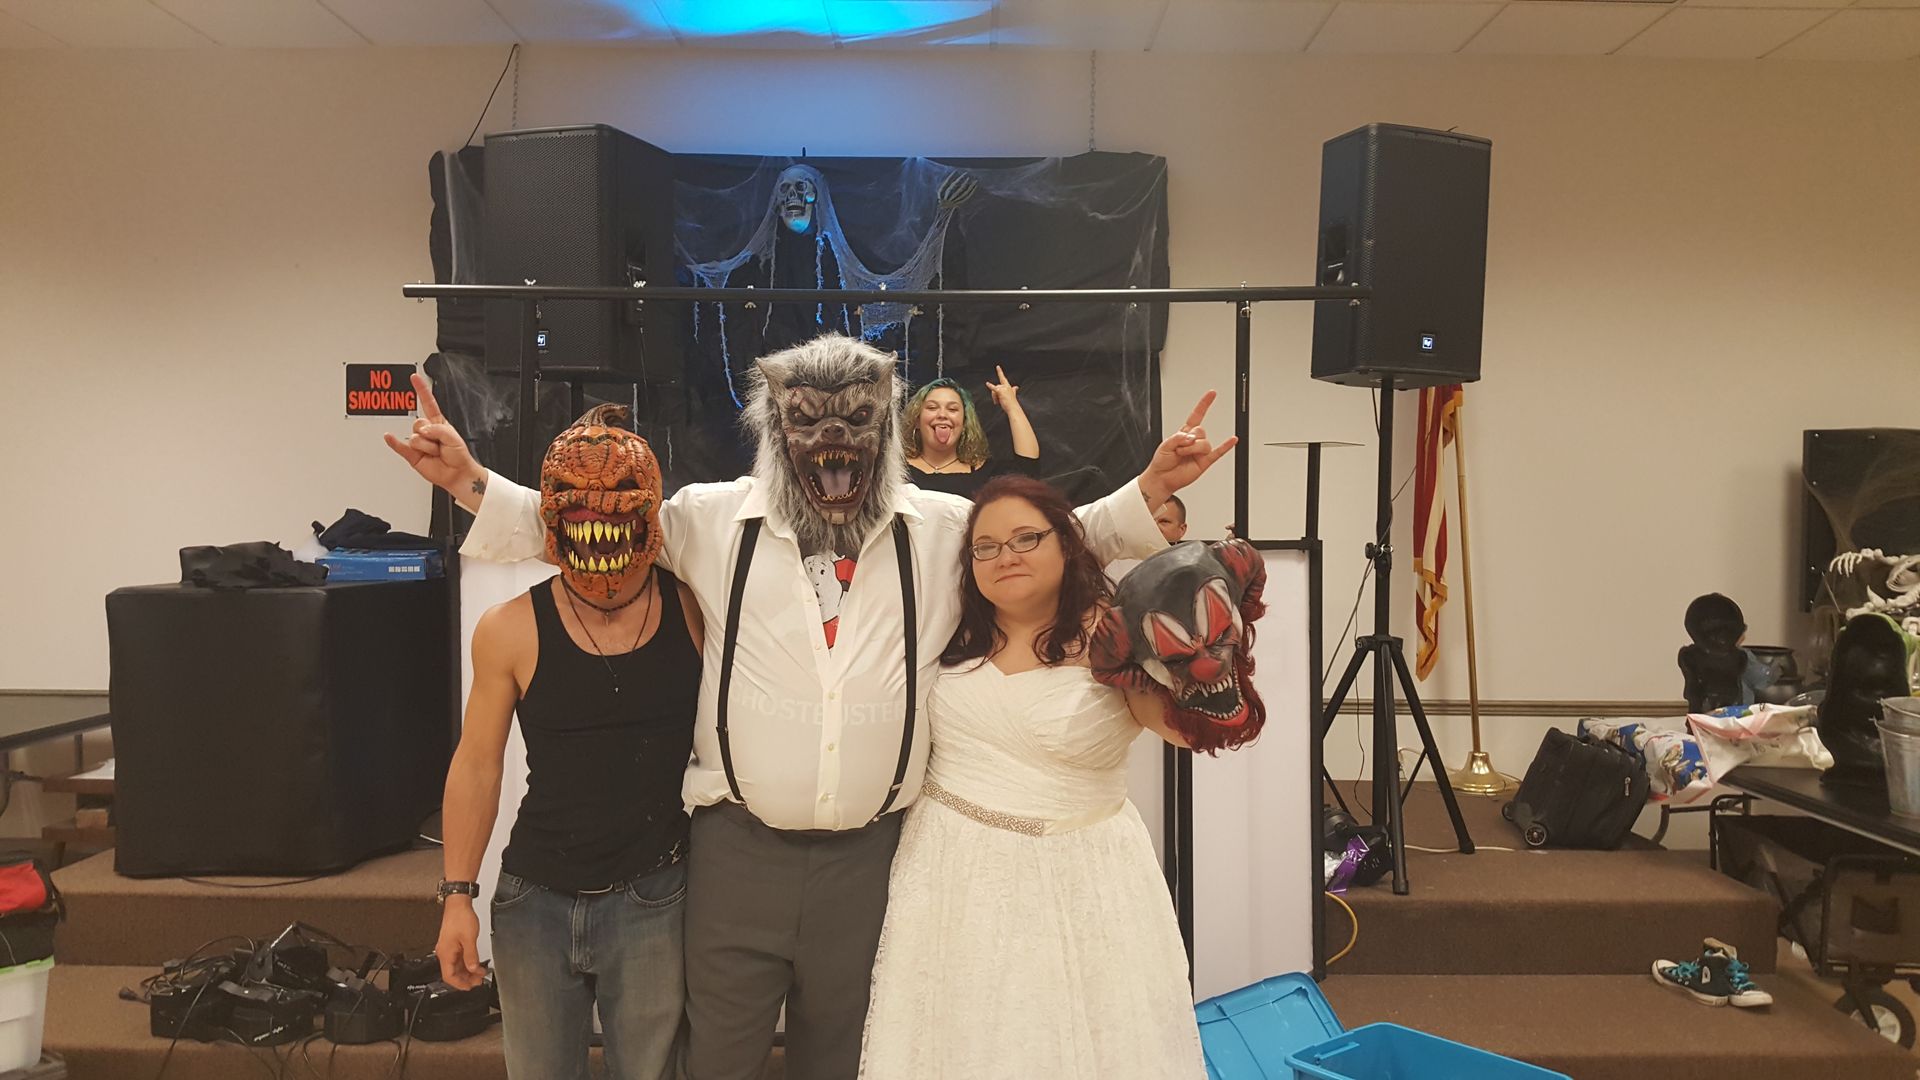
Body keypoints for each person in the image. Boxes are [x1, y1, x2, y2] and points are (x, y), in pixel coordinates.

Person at [387, 333, 1234, 1080]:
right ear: (771, 428)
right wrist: (467, 479)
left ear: (887, 426)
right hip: (733, 854)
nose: (833, 439)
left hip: (874, 860)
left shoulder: (941, 529)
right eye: (807, 420)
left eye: (857, 419)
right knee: (720, 1055)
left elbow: (1056, 537)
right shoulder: (711, 521)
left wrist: (1146, 490)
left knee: (845, 1055)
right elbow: (592, 521)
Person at [859, 475, 1206, 1078]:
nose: (1006, 556)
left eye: (1026, 538)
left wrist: (1206, 665)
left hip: (1084, 875)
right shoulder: (948, 627)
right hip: (950, 869)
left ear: (1067, 544)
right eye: (986, 546)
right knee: (952, 1037)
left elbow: (1185, 730)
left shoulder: (1117, 635)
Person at [432, 405, 702, 1080]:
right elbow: (476, 763)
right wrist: (457, 894)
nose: (596, 521)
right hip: (535, 897)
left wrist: (473, 482)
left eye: (616, 505)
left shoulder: (698, 607)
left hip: (655, 893)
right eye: (577, 507)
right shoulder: (509, 627)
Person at [902, 369, 1038, 499]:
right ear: (917, 420)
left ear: (964, 423)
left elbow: (1026, 472)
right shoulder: (894, 469)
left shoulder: (985, 475)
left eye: (952, 409)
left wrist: (1012, 406)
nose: (942, 415)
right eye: (932, 407)